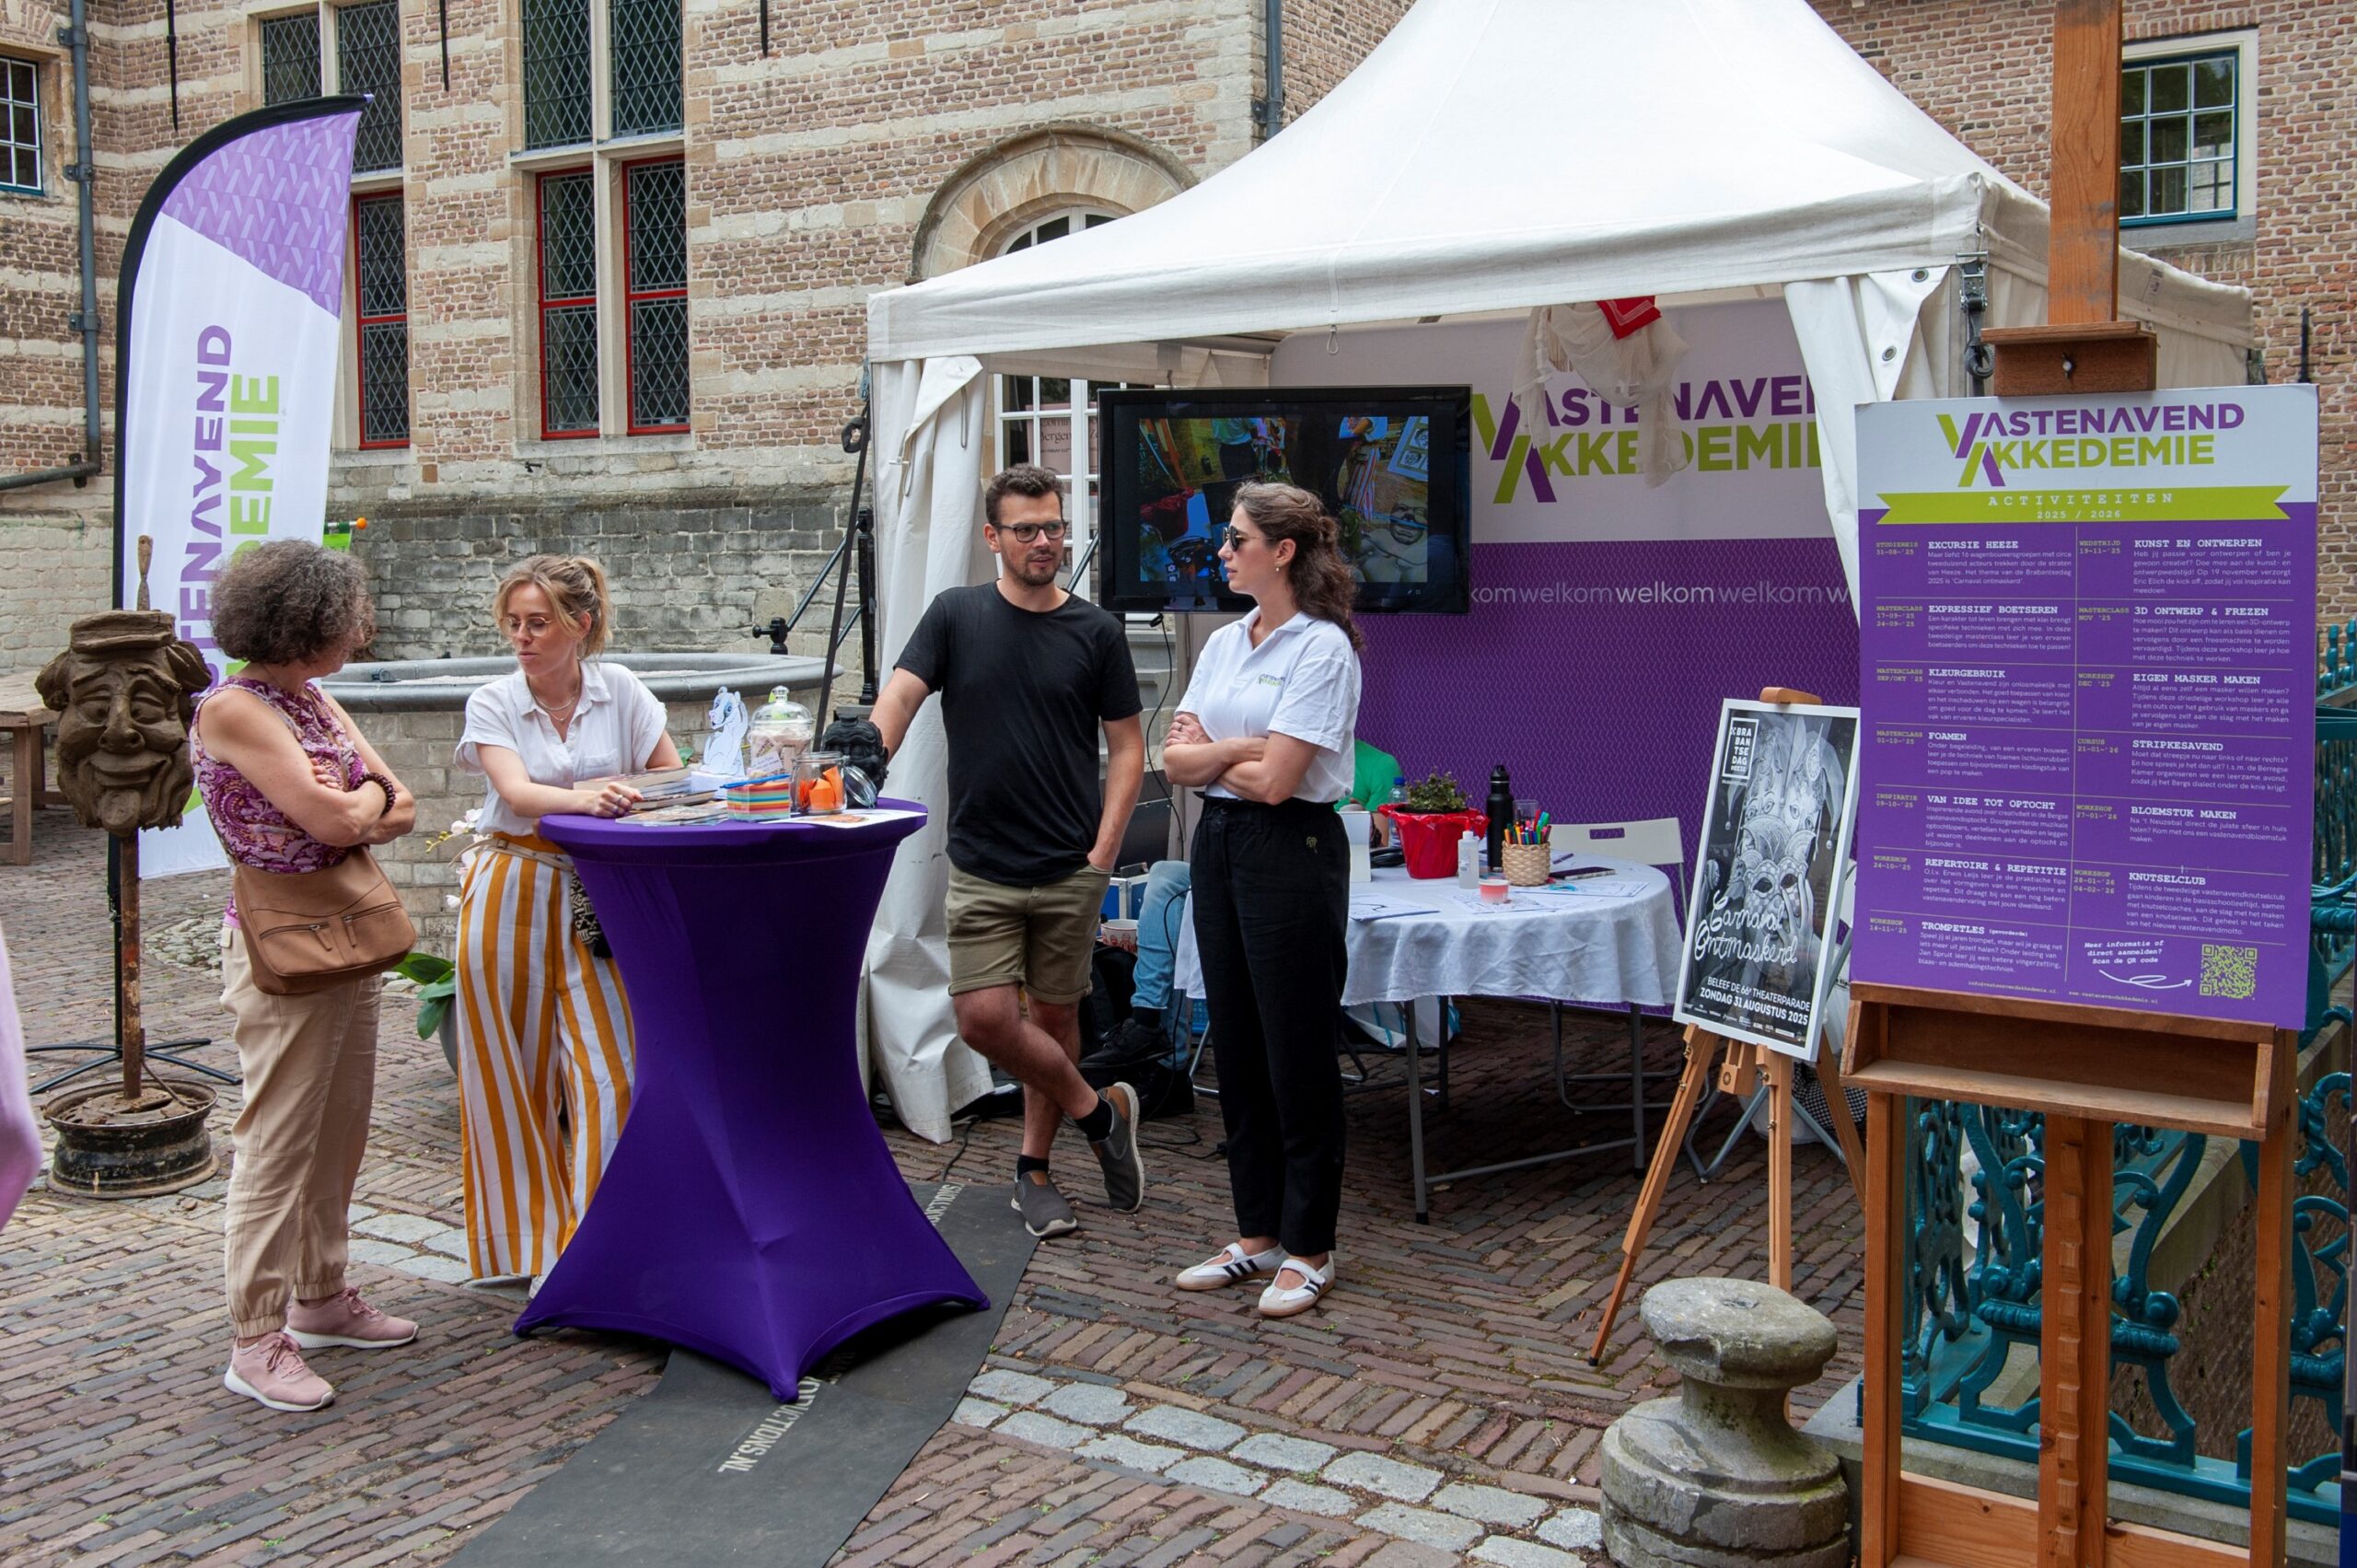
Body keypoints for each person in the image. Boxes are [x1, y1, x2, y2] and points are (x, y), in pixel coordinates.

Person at [870, 464, 1149, 1239]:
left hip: (1070, 865)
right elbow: (900, 695)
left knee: (1055, 1018)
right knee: (986, 1018)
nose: (1043, 541)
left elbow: (1128, 749)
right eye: (1025, 529)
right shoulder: (956, 615)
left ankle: (1034, 1170)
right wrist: (867, 754)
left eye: (1054, 526)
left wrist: (1105, 848)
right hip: (983, 863)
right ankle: (1101, 1114)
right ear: (992, 537)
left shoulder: (1096, 630)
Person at [192, 540, 420, 1411]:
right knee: (278, 1140)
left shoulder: (309, 698)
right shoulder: (237, 708)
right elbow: (338, 812)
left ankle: (322, 1295)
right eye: (346, 623)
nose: (358, 637)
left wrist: (358, 808)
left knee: (341, 1128)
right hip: (281, 943)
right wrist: (355, 807)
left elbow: (397, 797)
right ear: (306, 624)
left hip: (345, 930)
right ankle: (255, 1337)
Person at [1162, 481, 1363, 1318]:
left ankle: (1310, 1244)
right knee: (1237, 1036)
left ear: (1281, 552)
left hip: (1293, 846)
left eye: (1236, 538)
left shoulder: (1323, 649)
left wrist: (1224, 750)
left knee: (1295, 1044)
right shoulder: (1223, 642)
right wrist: (1244, 747)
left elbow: (1282, 784)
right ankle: (1257, 1232)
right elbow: (1175, 761)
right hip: (1220, 841)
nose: (1221, 548)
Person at [452, 555, 679, 1285]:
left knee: (612, 1072)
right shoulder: (492, 700)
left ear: (580, 626)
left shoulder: (623, 691)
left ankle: (604, 1247)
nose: (521, 637)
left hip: (597, 891)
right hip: (511, 883)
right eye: (513, 623)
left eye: (538, 623)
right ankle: (528, 1249)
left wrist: (637, 796)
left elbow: (670, 778)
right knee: (508, 1072)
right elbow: (516, 793)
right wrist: (596, 796)